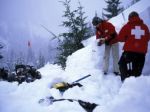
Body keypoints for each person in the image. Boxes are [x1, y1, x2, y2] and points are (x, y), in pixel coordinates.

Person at [117, 11, 150, 81]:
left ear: (129, 18)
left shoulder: (127, 26)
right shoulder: (145, 27)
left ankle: (125, 81)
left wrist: (127, 38)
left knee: (122, 64)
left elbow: (120, 38)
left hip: (129, 53)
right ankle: (135, 87)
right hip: (141, 54)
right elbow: (147, 38)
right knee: (137, 73)